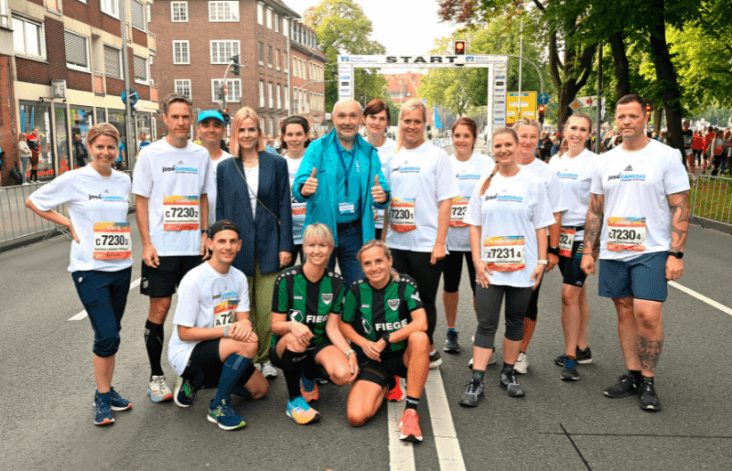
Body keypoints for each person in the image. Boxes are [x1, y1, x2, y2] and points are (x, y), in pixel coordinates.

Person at [581, 94, 690, 412]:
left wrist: (676, 253)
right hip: (615, 250)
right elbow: (595, 209)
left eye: (632, 115)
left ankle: (649, 379)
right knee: (624, 310)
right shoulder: (604, 160)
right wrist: (589, 250)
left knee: (648, 313)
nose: (626, 121)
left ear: (645, 116)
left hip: (652, 250)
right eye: (621, 116)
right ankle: (632, 374)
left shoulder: (666, 156)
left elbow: (680, 205)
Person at [26, 123, 133, 425]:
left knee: (112, 335)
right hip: (89, 269)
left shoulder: (122, 181)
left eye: (111, 147)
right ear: (89, 147)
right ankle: (101, 396)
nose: (105, 152)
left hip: (122, 267)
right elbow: (33, 201)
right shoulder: (75, 179)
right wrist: (68, 223)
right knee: (107, 334)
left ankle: (108, 390)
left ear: (117, 149)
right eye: (99, 146)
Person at [459, 126, 553, 406]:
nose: (503, 150)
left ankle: (508, 373)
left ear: (516, 146)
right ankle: (476, 380)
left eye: (507, 145)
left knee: (515, 322)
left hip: (522, 268)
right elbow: (474, 226)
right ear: (493, 149)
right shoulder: (484, 183)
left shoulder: (533, 182)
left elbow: (541, 227)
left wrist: (542, 261)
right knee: (486, 323)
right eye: (497, 146)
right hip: (490, 269)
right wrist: (476, 261)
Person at [133, 94, 214, 403]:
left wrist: (205, 234)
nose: (181, 122)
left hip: (194, 248)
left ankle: (190, 375)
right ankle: (156, 376)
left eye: (185, 117)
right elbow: (141, 199)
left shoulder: (200, 155)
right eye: (175, 116)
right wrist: (147, 244)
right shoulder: (150, 154)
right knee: (161, 309)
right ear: (164, 119)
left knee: (195, 314)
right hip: (162, 249)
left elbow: (203, 196)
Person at [169, 220, 269, 430]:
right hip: (188, 352)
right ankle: (219, 404)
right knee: (249, 344)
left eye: (233, 241)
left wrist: (246, 325)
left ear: (240, 245)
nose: (228, 246)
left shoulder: (239, 278)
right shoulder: (194, 279)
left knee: (260, 390)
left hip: (222, 347)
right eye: (222, 241)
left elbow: (243, 320)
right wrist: (227, 331)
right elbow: (184, 333)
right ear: (210, 243)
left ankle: (202, 382)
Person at [216, 107, 293, 379]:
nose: (247, 135)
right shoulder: (225, 168)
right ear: (234, 133)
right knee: (241, 309)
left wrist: (286, 246)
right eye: (242, 130)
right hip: (237, 248)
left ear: (259, 133)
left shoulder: (276, 163)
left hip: (271, 244)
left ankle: (263, 357)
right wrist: (220, 247)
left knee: (265, 307)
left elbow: (284, 206)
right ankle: (246, 358)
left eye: (252, 129)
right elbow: (222, 211)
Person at [382, 99, 459, 370]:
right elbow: (387, 201)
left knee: (424, 301)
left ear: (425, 124)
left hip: (427, 244)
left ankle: (423, 351)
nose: (411, 126)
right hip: (396, 243)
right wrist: (383, 243)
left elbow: (447, 201)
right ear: (399, 123)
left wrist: (440, 242)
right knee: (399, 302)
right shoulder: (393, 158)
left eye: (417, 121)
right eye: (407, 121)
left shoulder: (436, 156)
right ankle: (408, 351)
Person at [292, 98, 390, 288]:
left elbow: (382, 190)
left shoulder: (369, 152)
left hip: (355, 233)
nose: (347, 121)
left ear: (361, 119)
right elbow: (299, 186)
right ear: (333, 118)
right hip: (322, 232)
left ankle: (349, 319)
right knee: (317, 291)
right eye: (342, 116)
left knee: (358, 290)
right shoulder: (317, 148)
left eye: (352, 116)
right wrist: (304, 189)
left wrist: (382, 196)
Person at [340, 240, 430, 442]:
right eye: (367, 263)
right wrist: (363, 343)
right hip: (375, 360)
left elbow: (421, 322)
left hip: (404, 356)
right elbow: (343, 324)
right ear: (362, 267)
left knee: (420, 338)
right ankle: (386, 383)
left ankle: (410, 412)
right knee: (356, 417)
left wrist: (386, 339)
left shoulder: (405, 284)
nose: (374, 268)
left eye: (379, 261)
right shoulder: (356, 290)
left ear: (389, 260)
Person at [270, 223, 358, 424]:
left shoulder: (337, 282)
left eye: (322, 245)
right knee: (297, 338)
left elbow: (332, 327)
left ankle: (308, 374)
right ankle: (294, 401)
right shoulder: (286, 279)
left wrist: (349, 352)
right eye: (311, 245)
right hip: (285, 346)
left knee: (344, 374)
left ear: (331, 248)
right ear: (304, 248)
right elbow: (275, 326)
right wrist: (292, 325)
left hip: (317, 345)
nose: (317, 250)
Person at [512, 118, 567, 374]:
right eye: (523, 136)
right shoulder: (498, 168)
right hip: (499, 246)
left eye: (533, 136)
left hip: (535, 249)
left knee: (527, 302)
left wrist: (553, 250)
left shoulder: (547, 172)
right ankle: (488, 346)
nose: (527, 141)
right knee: (493, 298)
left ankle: (521, 352)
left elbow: (556, 213)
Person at [548, 113, 598, 380]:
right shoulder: (555, 161)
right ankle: (582, 347)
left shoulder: (595, 163)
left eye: (583, 129)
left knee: (568, 295)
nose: (577, 133)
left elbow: (598, 205)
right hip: (559, 237)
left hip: (582, 237)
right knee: (579, 293)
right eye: (573, 128)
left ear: (589, 134)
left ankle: (570, 359)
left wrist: (592, 245)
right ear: (565, 130)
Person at [442, 117, 494, 354]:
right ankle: (451, 330)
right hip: (451, 238)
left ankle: (481, 331)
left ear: (474, 138)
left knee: (479, 288)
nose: (461, 141)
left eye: (466, 136)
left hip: (477, 240)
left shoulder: (485, 164)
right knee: (450, 286)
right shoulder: (445, 163)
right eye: (457, 136)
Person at [363, 99, 397, 241]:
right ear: (364, 119)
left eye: (382, 119)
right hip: (363, 223)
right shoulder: (355, 147)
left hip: (390, 224)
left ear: (388, 122)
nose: (376, 123)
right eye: (372, 117)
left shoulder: (396, 150)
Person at [280, 115, 312, 265]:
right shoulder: (278, 164)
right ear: (283, 137)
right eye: (290, 134)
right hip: (287, 235)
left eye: (299, 134)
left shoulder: (314, 163)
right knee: (286, 283)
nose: (294, 139)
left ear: (307, 136)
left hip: (311, 234)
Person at [196, 110, 233, 227]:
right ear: (198, 130)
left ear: (223, 132)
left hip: (224, 230)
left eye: (216, 126)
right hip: (194, 230)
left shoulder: (233, 163)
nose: (211, 130)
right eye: (205, 125)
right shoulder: (187, 161)